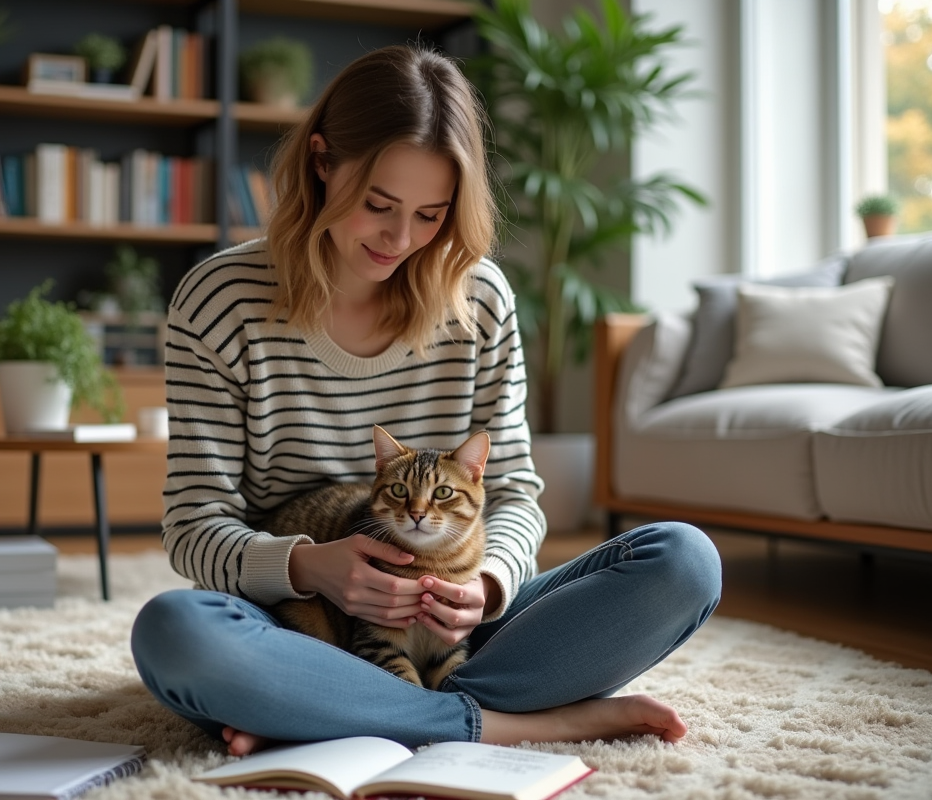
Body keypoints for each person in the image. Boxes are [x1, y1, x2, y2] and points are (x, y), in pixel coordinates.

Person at [131, 43, 721, 756]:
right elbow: (194, 527)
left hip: (457, 623)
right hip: (298, 621)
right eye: (378, 205)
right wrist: (310, 566)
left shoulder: (481, 300)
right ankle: (527, 723)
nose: (400, 239)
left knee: (684, 561)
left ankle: (323, 709)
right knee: (177, 635)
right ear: (322, 162)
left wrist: (491, 587)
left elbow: (512, 497)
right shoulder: (219, 301)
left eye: (431, 215)